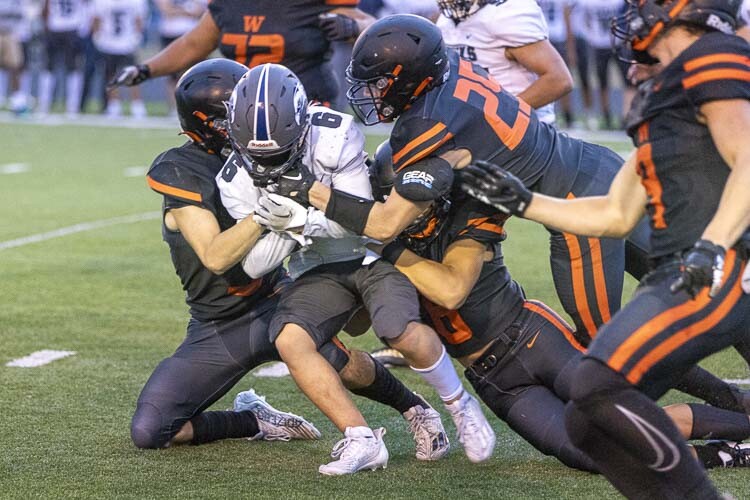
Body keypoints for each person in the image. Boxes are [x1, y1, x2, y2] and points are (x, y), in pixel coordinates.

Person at [273, 13, 750, 410]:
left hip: (581, 207)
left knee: (611, 340)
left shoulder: (424, 123)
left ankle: (732, 405)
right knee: (721, 293)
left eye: (382, 84)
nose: (376, 94)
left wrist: (313, 191)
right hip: (601, 166)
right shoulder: (451, 64)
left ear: (411, 78)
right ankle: (736, 403)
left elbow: (384, 223)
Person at [460, 0, 750, 496]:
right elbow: (615, 214)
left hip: (718, 263)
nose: (635, 12)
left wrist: (711, 245)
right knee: (587, 422)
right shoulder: (666, 90)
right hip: (684, 267)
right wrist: (527, 202)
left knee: (595, 384)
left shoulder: (712, 57)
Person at [369, 143, 750, 472]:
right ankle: (724, 454)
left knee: (624, 416)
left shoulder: (467, 215)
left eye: (416, 201)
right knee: (589, 455)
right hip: (495, 381)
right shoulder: (381, 251)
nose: (409, 211)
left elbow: (451, 290)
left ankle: (738, 411)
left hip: (533, 339)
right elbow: (361, 320)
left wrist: (385, 246)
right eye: (398, 203)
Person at [133, 58, 448, 453]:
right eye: (232, 115)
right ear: (207, 123)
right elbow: (216, 256)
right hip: (217, 320)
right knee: (151, 430)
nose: (248, 123)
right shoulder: (181, 169)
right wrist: (266, 213)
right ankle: (254, 419)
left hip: (275, 297)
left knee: (345, 365)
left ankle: (414, 408)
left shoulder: (271, 148)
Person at [216, 63, 494, 475]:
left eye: (278, 152)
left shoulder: (334, 134)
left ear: (301, 128)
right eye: (258, 154)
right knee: (290, 339)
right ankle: (361, 438)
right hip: (316, 265)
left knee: (400, 331)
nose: (267, 164)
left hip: (371, 253)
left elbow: (363, 220)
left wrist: (298, 221)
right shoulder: (233, 177)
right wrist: (274, 222)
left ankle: (459, 404)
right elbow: (256, 265)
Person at [109, 0, 374, 107]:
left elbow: (373, 28)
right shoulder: (228, 4)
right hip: (245, 110)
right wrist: (146, 69)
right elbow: (193, 44)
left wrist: (355, 27)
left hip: (309, 107)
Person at [435, 0, 573, 125]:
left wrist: (497, 114)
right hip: (478, 129)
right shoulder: (446, 21)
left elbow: (559, 80)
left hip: (522, 131)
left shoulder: (504, 14)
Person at [91, 0, 148, 118]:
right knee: (112, 75)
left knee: (132, 75)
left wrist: (137, 35)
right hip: (110, 43)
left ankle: (136, 105)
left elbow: (139, 20)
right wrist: (97, 35)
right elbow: (96, 19)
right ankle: (114, 105)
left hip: (125, 43)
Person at [155, 0, 206, 115]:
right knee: (172, 74)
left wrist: (178, 11)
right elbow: (166, 10)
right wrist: (187, 11)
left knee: (195, 73)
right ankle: (174, 108)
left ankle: (194, 107)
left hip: (192, 33)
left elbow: (200, 11)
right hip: (170, 34)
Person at [39, 0, 86, 116]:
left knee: (50, 68)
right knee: (71, 69)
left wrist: (46, 25)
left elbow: (45, 9)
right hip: (71, 28)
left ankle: (45, 104)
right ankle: (72, 106)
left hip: (57, 27)